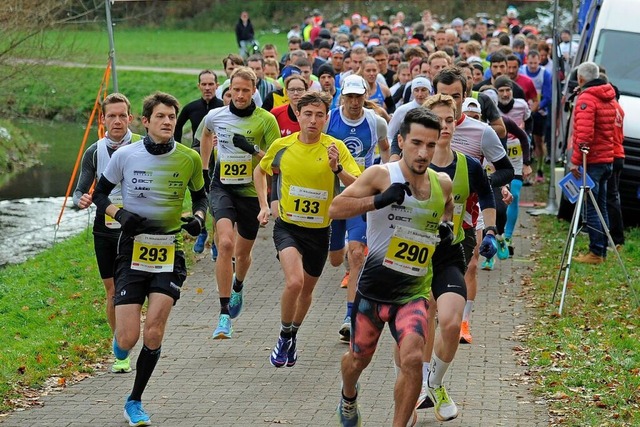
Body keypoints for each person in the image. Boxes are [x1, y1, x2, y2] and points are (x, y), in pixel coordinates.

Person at [331, 108, 454, 427]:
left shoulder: (442, 183)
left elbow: (448, 210)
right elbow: (336, 208)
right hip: (373, 292)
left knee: (412, 359)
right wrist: (379, 201)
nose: (423, 152)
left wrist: (445, 227)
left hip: (413, 293)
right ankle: (348, 396)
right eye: (416, 143)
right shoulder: (381, 175)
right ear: (400, 141)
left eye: (430, 144)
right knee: (357, 360)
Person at [92, 92, 208, 426]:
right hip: (132, 250)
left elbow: (201, 197)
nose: (168, 122)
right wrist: (120, 213)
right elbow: (99, 194)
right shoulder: (126, 155)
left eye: (172, 117)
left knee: (154, 331)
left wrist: (199, 218)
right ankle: (121, 343)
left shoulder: (188, 158)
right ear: (145, 121)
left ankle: (135, 400)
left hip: (169, 251)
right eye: (161, 117)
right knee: (128, 338)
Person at [254, 92, 360, 368]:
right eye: (308, 114)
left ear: (327, 118)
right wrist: (265, 205)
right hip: (288, 227)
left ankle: (291, 334)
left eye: (319, 115)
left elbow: (356, 184)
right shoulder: (281, 145)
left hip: (319, 231)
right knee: (294, 282)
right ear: (298, 115)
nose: (313, 120)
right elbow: (261, 170)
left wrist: (336, 169)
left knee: (306, 290)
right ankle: (283, 333)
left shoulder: (335, 147)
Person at [416, 94, 497, 421]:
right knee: (424, 319)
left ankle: (434, 383)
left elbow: (488, 196)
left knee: (450, 323)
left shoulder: (468, 165)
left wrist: (490, 231)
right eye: (438, 121)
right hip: (415, 251)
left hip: (453, 250)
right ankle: (417, 383)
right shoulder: (412, 165)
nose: (445, 126)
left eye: (450, 120)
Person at [433, 67, 514, 343]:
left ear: (465, 95)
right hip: (424, 218)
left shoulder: (481, 132)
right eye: (443, 95)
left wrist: (482, 183)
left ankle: (463, 322)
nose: (450, 102)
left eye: (455, 96)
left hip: (465, 216)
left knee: (470, 267)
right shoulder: (418, 125)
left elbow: (506, 170)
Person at [200, 67, 281, 338]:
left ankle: (238, 286)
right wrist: (204, 166)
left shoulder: (266, 120)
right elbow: (205, 135)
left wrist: (252, 149)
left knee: (242, 254)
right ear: (230, 90)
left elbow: (276, 162)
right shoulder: (215, 116)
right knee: (224, 244)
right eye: (236, 90)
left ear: (254, 90)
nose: (240, 95)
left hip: (249, 194)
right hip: (222, 187)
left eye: (246, 90)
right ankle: (224, 315)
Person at [73, 93, 141, 374]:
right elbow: (80, 189)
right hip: (105, 229)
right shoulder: (94, 151)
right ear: (102, 120)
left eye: (121, 115)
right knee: (113, 291)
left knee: (135, 289)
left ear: (130, 118)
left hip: (137, 228)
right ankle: (121, 349)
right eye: (111, 116)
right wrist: (81, 200)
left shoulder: (142, 146)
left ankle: (130, 335)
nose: (116, 121)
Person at [325, 74, 390, 341]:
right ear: (342, 97)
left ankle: (350, 317)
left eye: (358, 97)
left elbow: (387, 150)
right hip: (333, 197)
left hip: (360, 197)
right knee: (336, 258)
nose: (354, 102)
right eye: (349, 97)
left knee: (356, 256)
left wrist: (387, 176)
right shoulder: (330, 119)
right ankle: (348, 267)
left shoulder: (376, 122)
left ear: (366, 96)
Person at [570, 62, 620, 264]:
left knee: (591, 207)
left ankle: (596, 252)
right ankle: (602, 249)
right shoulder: (608, 96)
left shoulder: (588, 99)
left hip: (592, 160)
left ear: (581, 79)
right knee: (601, 206)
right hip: (607, 158)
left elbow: (584, 135)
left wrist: (575, 161)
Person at [175, 70, 224, 254]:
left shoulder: (221, 106)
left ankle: (215, 241)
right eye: (204, 84)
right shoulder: (191, 107)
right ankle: (202, 231)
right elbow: (177, 127)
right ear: (199, 86)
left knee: (215, 199)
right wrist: (178, 150)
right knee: (199, 194)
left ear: (217, 86)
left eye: (211, 84)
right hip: (198, 155)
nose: (207, 88)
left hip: (218, 156)